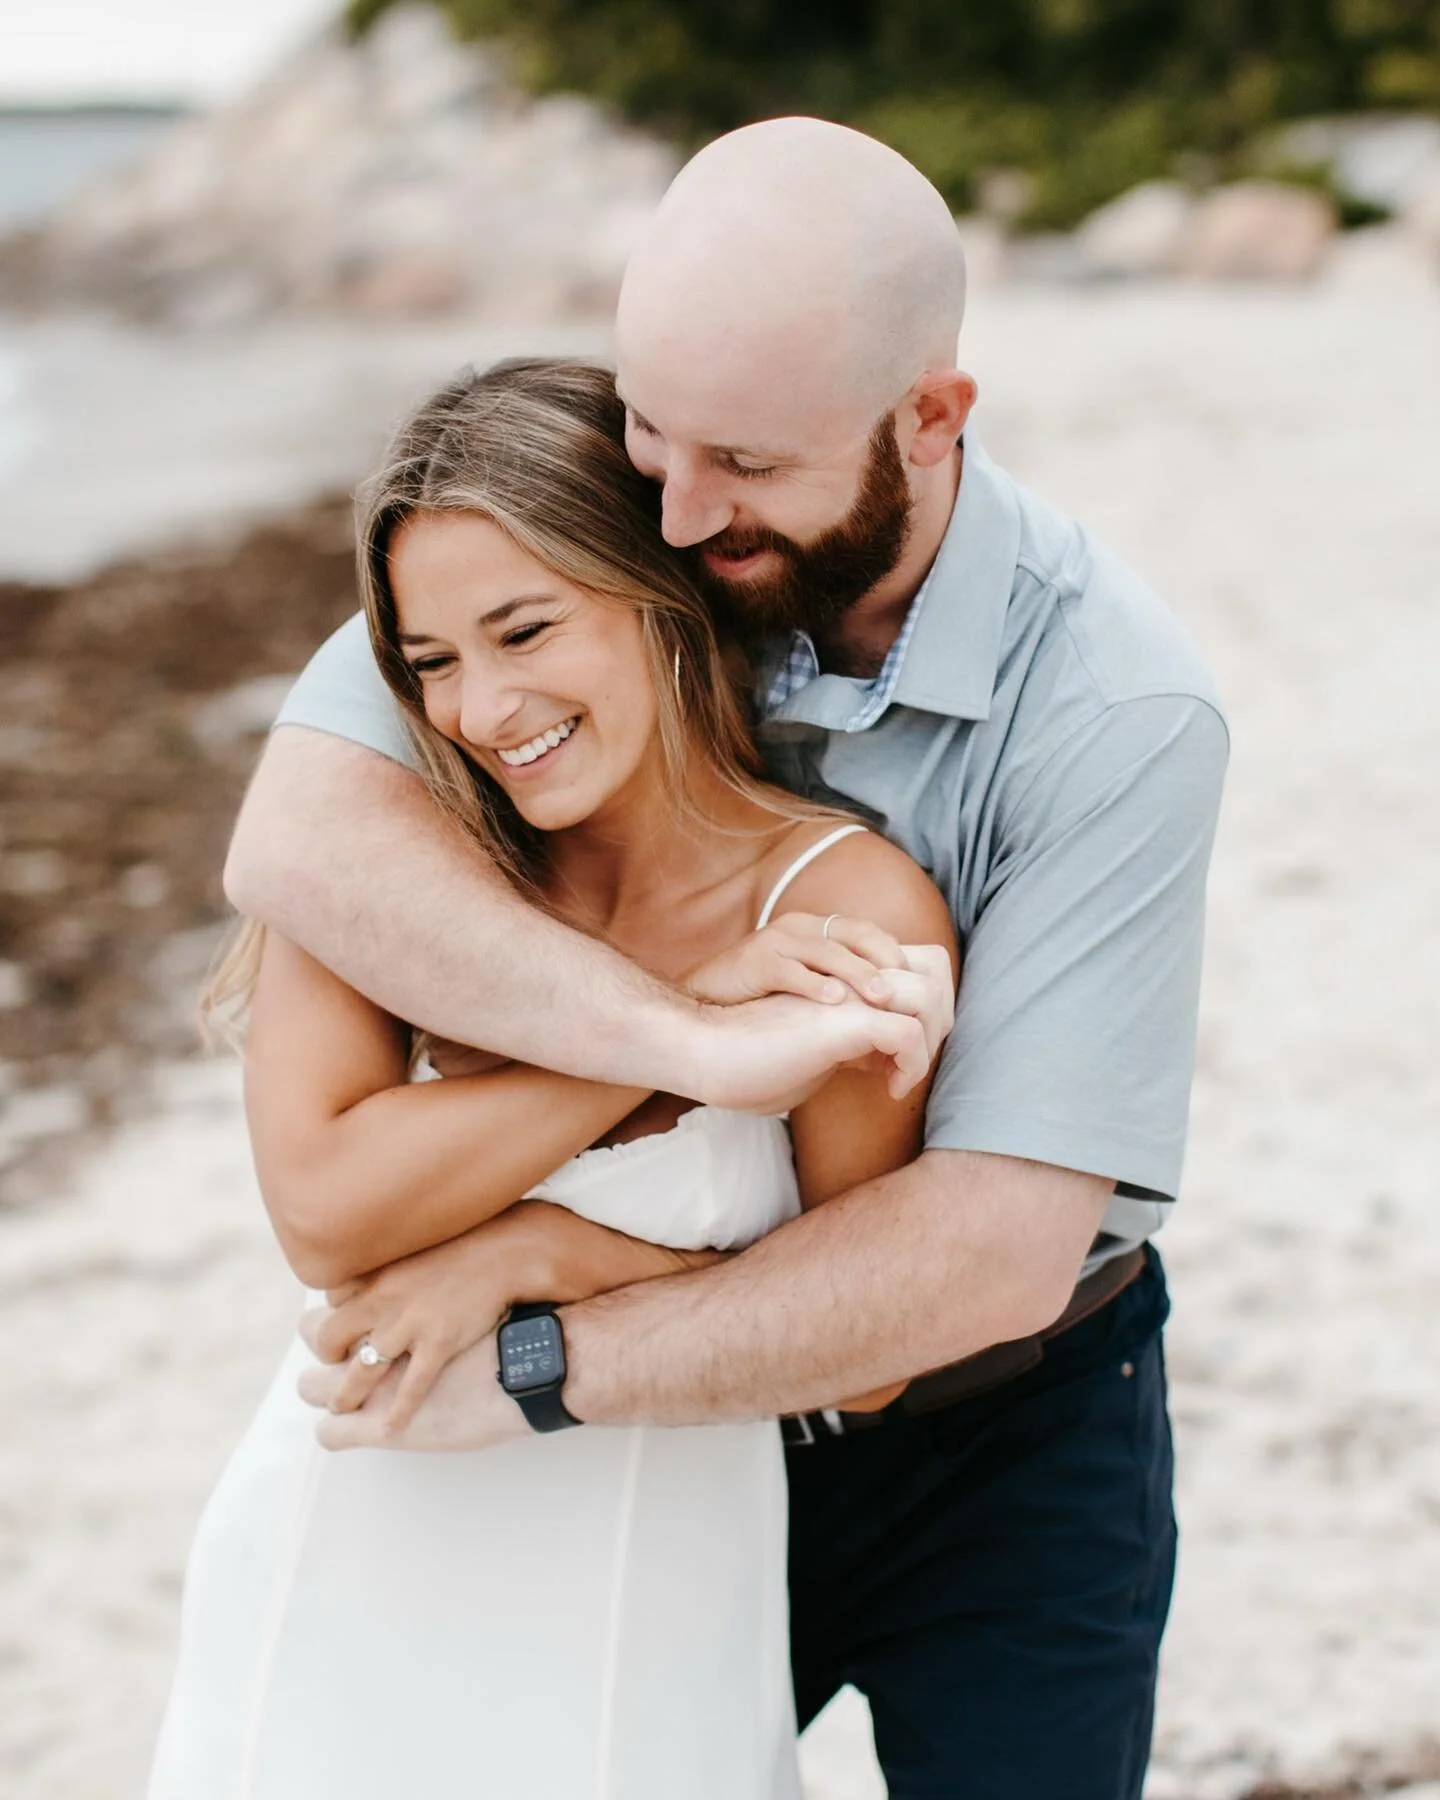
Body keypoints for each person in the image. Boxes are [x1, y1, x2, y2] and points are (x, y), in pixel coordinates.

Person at [229, 120, 1229, 1798]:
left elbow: (980, 1258)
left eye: (747, 464)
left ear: (930, 418)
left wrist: (542, 1331)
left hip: (994, 1437)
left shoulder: (1118, 710)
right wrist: (685, 1038)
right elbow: (298, 842)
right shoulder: (609, 522)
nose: (678, 511)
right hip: (644, 1474)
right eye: (647, 424)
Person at [147, 357, 956, 1800]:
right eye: (432, 661)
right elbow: (324, 1214)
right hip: (338, 1551)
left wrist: (546, 1248)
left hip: (644, 1596)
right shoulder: (393, 871)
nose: (482, 707)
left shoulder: (843, 909)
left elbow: (874, 1352)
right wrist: (674, 1034)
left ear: (659, 596)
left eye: (523, 630)